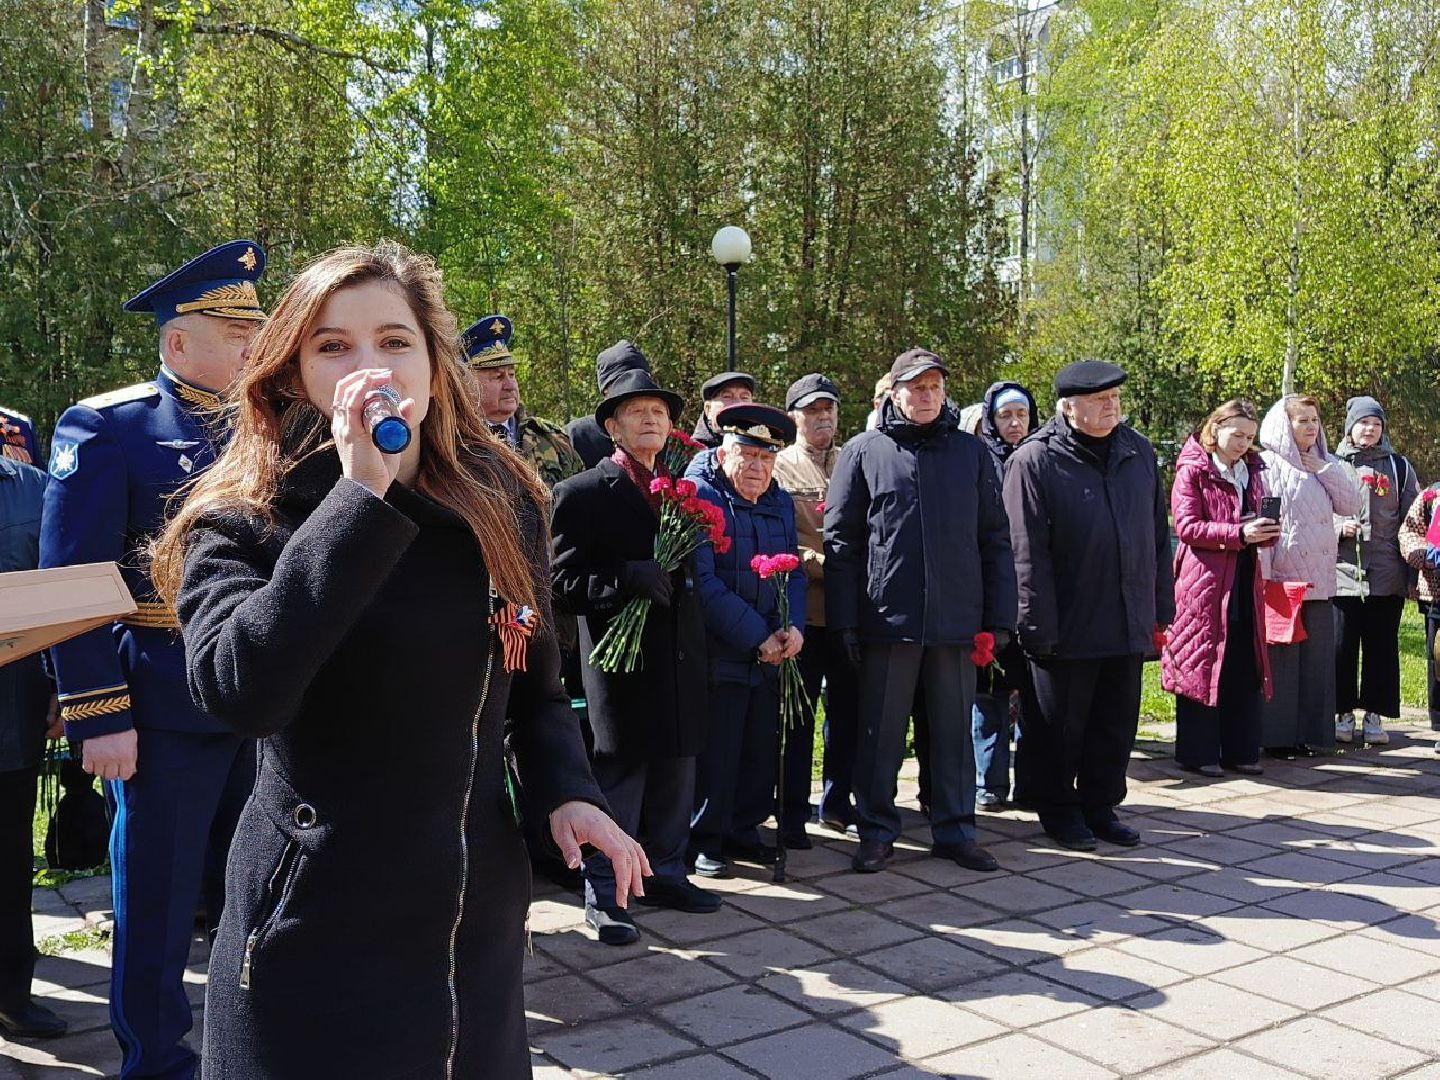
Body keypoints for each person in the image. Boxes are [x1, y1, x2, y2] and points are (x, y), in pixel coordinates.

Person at [149, 243, 646, 1079]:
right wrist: (359, 499)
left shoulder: (502, 501)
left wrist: (568, 794)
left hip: (470, 925)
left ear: (431, 361)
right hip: (315, 930)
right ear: (292, 374)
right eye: (333, 346)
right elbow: (241, 692)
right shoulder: (242, 519)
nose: (369, 365)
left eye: (393, 340)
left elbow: (533, 686)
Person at [40, 240, 267, 1080]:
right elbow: (71, 583)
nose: (255, 345)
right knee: (161, 902)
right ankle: (157, 1059)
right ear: (179, 345)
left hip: (262, 696)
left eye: (258, 327)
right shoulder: (112, 426)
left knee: (262, 891)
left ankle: (254, 1042)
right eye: (236, 330)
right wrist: (99, 713)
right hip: (162, 701)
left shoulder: (269, 431)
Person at [826, 350, 1015, 874]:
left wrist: (1000, 619)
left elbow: (995, 540)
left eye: (935, 386)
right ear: (895, 394)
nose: (927, 395)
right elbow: (841, 544)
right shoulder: (864, 452)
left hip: (955, 622)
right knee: (881, 734)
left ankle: (955, 830)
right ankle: (877, 830)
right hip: (888, 621)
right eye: (916, 387)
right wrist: (845, 621)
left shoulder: (970, 454)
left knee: (952, 734)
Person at [552, 366, 719, 946]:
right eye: (637, 411)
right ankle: (606, 892)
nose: (651, 419)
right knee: (619, 780)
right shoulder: (583, 493)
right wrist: (627, 576)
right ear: (613, 426)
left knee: (677, 772)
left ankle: (667, 873)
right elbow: (562, 582)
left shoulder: (681, 493)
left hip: (677, 662)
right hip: (622, 668)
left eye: (660, 412)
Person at [1003, 360, 1174, 852]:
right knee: (1060, 726)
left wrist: (1159, 608)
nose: (1111, 407)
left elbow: (1156, 537)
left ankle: (1101, 805)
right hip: (1067, 621)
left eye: (1116, 398)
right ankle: (1058, 810)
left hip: (1125, 614)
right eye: (1100, 400)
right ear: (1067, 407)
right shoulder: (1034, 460)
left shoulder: (1137, 451)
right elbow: (1024, 550)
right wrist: (1034, 624)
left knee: (1114, 722)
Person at [686, 404, 803, 877]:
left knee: (759, 746)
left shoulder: (779, 501)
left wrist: (791, 628)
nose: (757, 468)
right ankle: (706, 838)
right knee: (720, 749)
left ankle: (744, 830)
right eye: (748, 455)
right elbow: (704, 582)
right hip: (722, 650)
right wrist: (758, 636)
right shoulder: (701, 495)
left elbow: (791, 570)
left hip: (771, 651)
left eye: (767, 458)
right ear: (725, 450)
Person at [1163, 400, 1276, 777]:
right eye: (1237, 434)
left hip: (1244, 574)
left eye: (1250, 436)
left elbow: (1254, 517)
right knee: (1202, 658)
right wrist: (1238, 533)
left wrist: (1264, 531)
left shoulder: (1253, 470)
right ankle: (1198, 752)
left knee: (1243, 659)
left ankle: (1241, 750)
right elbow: (1188, 528)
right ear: (1217, 428)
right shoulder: (1193, 470)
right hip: (1204, 580)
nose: (1244, 442)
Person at [773, 373, 859, 840]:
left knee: (848, 714)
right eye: (811, 411)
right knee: (798, 719)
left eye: (828, 409)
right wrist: (820, 561)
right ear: (794, 418)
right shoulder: (781, 466)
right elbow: (781, 536)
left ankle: (839, 802)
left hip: (848, 614)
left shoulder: (852, 460)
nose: (822, 417)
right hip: (802, 613)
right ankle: (791, 812)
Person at [0, 455, 65, 1040]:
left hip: (11, 718)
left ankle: (11, 996)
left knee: (9, 864)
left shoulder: (35, 491)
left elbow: (60, 595)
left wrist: (64, 691)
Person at [1257, 394, 1361, 757]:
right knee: (1285, 664)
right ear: (1285, 424)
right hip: (1284, 579)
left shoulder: (1326, 462)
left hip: (1320, 580)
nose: (1311, 427)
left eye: (1315, 420)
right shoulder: (1266, 466)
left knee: (1317, 662)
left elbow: (1351, 505)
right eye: (1303, 421)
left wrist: (1323, 468)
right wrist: (1266, 577)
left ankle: (1311, 735)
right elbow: (1266, 526)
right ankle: (1278, 738)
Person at [1332, 396, 1419, 746]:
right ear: (1350, 426)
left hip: (1386, 573)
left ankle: (1374, 715)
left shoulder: (1398, 467)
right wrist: (1339, 525)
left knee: (1381, 648)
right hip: (1342, 571)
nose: (1369, 429)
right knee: (1341, 646)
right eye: (1363, 423)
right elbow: (1316, 511)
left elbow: (1413, 519)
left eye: (1376, 423)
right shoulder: (1331, 465)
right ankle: (1341, 713)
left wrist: (1412, 575)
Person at [972, 380, 1039, 808]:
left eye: (1021, 415)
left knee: (1035, 696)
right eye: (1005, 416)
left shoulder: (1045, 459)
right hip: (993, 594)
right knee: (990, 696)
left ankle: (1032, 783)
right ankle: (990, 783)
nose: (1014, 424)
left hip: (1036, 597)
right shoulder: (980, 461)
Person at [462, 314, 583, 487]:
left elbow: (581, 502)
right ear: (468, 383)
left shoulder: (551, 438)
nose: (510, 385)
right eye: (498, 377)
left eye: (512, 375)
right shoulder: (454, 443)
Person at [1398, 477, 1440, 743]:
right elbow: (1409, 531)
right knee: (1439, 660)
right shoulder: (1431, 495)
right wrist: (1423, 553)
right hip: (1436, 592)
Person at [566, 340, 652, 468]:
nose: (633, 390)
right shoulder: (577, 435)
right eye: (624, 383)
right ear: (606, 390)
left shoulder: (652, 431)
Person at [692, 371, 756, 448]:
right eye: (727, 396)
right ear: (708, 409)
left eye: (744, 397)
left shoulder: (763, 449)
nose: (738, 403)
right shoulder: (689, 452)